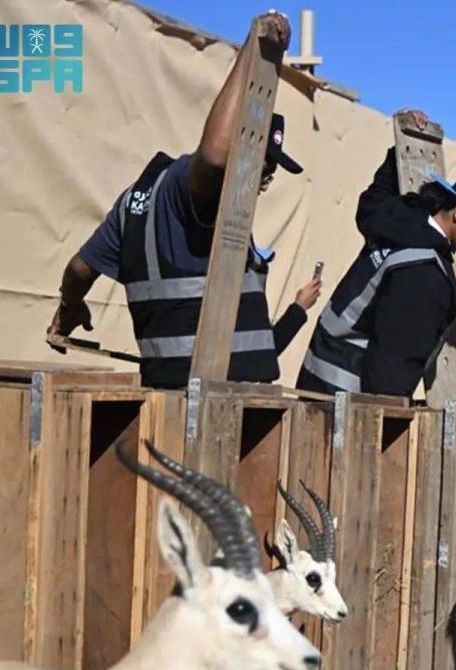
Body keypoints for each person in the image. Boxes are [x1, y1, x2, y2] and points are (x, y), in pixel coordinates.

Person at [47, 12, 320, 389]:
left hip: (170, 393)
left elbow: (79, 270)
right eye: (263, 167)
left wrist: (69, 306)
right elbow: (214, 158)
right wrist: (257, 51)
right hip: (222, 403)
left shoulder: (132, 205)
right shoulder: (193, 192)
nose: (264, 180)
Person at [298, 109, 456, 397]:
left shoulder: (398, 217)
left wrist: (401, 149)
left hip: (315, 380)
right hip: (345, 405)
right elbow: (391, 374)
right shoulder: (425, 273)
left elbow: (374, 198)